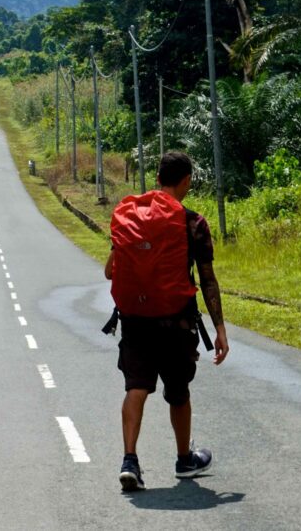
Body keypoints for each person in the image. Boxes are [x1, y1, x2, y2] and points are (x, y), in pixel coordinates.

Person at [104, 151, 229, 492]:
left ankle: (130, 460)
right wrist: (219, 328)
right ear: (186, 181)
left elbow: (109, 270)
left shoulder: (131, 217)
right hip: (176, 323)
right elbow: (207, 278)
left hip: (135, 320)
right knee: (178, 392)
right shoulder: (193, 223)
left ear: (158, 178)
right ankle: (184, 460)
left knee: (136, 388)